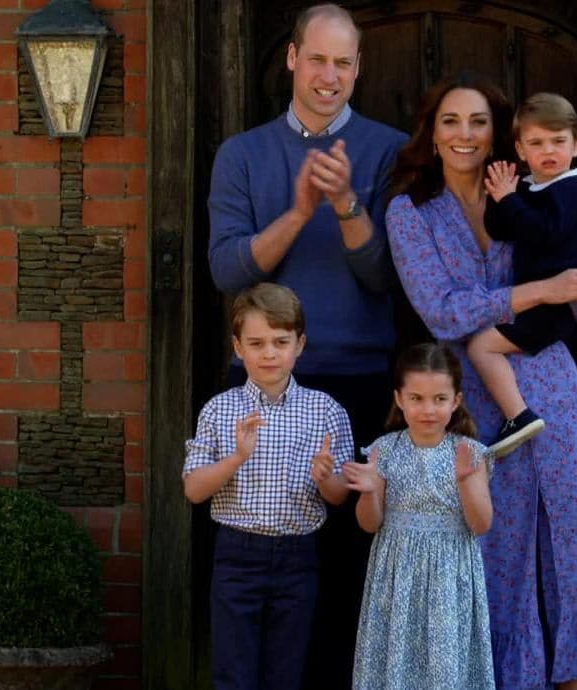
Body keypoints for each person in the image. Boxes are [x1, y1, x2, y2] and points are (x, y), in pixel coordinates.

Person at [385, 71, 577, 690]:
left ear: (500, 136)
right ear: (432, 134)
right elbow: (441, 310)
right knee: (496, 558)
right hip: (473, 401)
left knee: (573, 551)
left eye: (478, 122)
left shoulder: (533, 189)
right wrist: (547, 289)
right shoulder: (410, 211)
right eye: (450, 121)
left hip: (555, 384)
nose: (465, 134)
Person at [205, 5, 407, 686]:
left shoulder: (390, 151)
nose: (328, 76)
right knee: (255, 567)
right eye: (316, 60)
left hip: (356, 380)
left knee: (347, 567)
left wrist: (347, 203)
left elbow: (385, 277)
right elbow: (229, 271)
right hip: (261, 384)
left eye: (342, 63)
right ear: (291, 59)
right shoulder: (243, 154)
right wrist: (297, 211)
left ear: (358, 68)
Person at [182, 283, 353, 690]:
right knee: (232, 673)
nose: (270, 354)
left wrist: (325, 477)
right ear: (238, 348)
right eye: (257, 343)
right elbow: (193, 490)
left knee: (285, 673)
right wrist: (236, 457)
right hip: (237, 555)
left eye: (281, 342)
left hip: (298, 556)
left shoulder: (325, 410)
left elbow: (340, 496)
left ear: (300, 344)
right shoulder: (220, 409)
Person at [344, 343, 495, 690]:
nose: (428, 409)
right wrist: (368, 491)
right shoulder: (385, 450)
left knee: (445, 666)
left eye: (439, 399)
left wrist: (466, 482)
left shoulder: (469, 453)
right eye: (417, 398)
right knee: (397, 662)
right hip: (397, 575)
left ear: (455, 400)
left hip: (449, 575)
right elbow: (369, 523)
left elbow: (481, 524)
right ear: (399, 398)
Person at [470, 92, 577, 458]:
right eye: (537, 143)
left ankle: (518, 416)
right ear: (521, 151)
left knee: (481, 346)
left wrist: (511, 200)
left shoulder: (572, 190)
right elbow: (500, 229)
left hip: (552, 307)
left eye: (558, 141)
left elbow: (543, 233)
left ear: (576, 144)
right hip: (536, 302)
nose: (549, 151)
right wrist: (499, 196)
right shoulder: (533, 187)